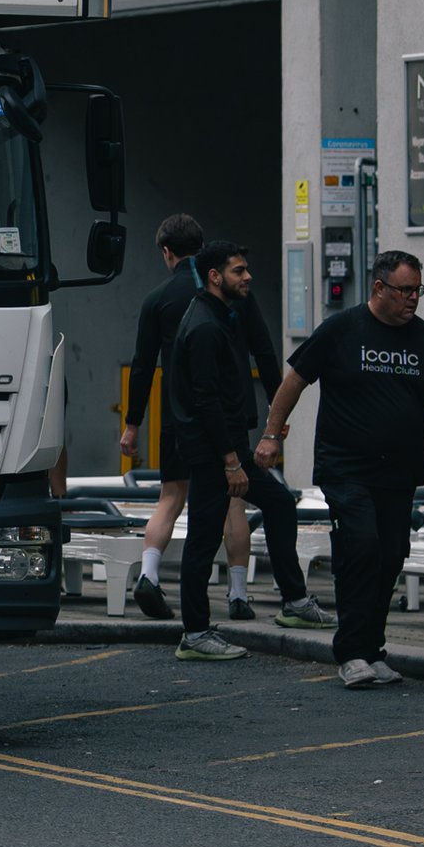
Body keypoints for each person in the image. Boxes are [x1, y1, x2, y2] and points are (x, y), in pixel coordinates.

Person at [258, 250, 424, 688]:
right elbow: (293, 379)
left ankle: (373, 648)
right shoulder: (342, 329)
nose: (413, 299)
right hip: (346, 467)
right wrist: (272, 435)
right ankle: (352, 652)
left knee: (390, 555)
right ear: (378, 288)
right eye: (405, 290)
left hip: (401, 470)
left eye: (418, 290)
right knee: (361, 544)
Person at [123, 218, 297, 625]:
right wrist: (277, 411)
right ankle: (237, 593)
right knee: (231, 501)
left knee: (171, 497)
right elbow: (265, 352)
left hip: (179, 418)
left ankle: (149, 573)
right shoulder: (230, 298)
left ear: (167, 252)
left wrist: (133, 423)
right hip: (227, 416)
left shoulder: (159, 298)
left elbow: (143, 364)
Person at [168, 242, 309, 661]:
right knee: (203, 539)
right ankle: (194, 633)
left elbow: (261, 356)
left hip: (226, 444)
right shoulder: (206, 326)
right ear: (215, 276)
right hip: (213, 450)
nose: (248, 277)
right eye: (239, 271)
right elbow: (206, 400)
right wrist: (231, 462)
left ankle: (296, 602)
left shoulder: (220, 315)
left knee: (280, 503)